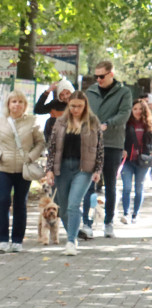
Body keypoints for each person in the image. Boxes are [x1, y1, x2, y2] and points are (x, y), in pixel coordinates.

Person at [44, 92, 104, 256]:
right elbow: (53, 148)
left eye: (79, 106)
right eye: (72, 106)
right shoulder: (61, 122)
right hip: (62, 168)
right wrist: (49, 170)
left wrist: (98, 170)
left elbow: (99, 149)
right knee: (62, 209)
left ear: (85, 106)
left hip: (83, 168)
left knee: (73, 204)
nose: (75, 109)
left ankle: (71, 241)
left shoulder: (92, 122)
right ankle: (74, 231)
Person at [0, 90, 46, 252]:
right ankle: (3, 240)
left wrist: (31, 157)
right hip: (3, 168)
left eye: (20, 102)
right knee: (4, 201)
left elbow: (40, 143)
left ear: (25, 105)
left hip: (23, 170)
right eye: (14, 102)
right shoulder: (0, 122)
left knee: (20, 203)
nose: (17, 105)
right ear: (8, 104)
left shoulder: (32, 122)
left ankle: (17, 240)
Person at [82, 60, 132, 238]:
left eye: (102, 76)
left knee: (110, 184)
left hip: (112, 143)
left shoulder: (124, 92)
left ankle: (108, 222)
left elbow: (124, 113)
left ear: (111, 74)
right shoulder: (91, 92)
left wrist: (107, 124)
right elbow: (84, 113)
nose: (98, 79)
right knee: (89, 184)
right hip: (91, 143)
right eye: (96, 76)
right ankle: (86, 224)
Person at [121, 98, 152, 224]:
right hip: (128, 160)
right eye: (135, 109)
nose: (137, 111)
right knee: (127, 187)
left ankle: (135, 214)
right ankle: (126, 213)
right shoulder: (126, 124)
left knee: (139, 188)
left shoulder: (149, 125)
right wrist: (122, 149)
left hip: (143, 161)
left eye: (140, 109)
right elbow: (120, 138)